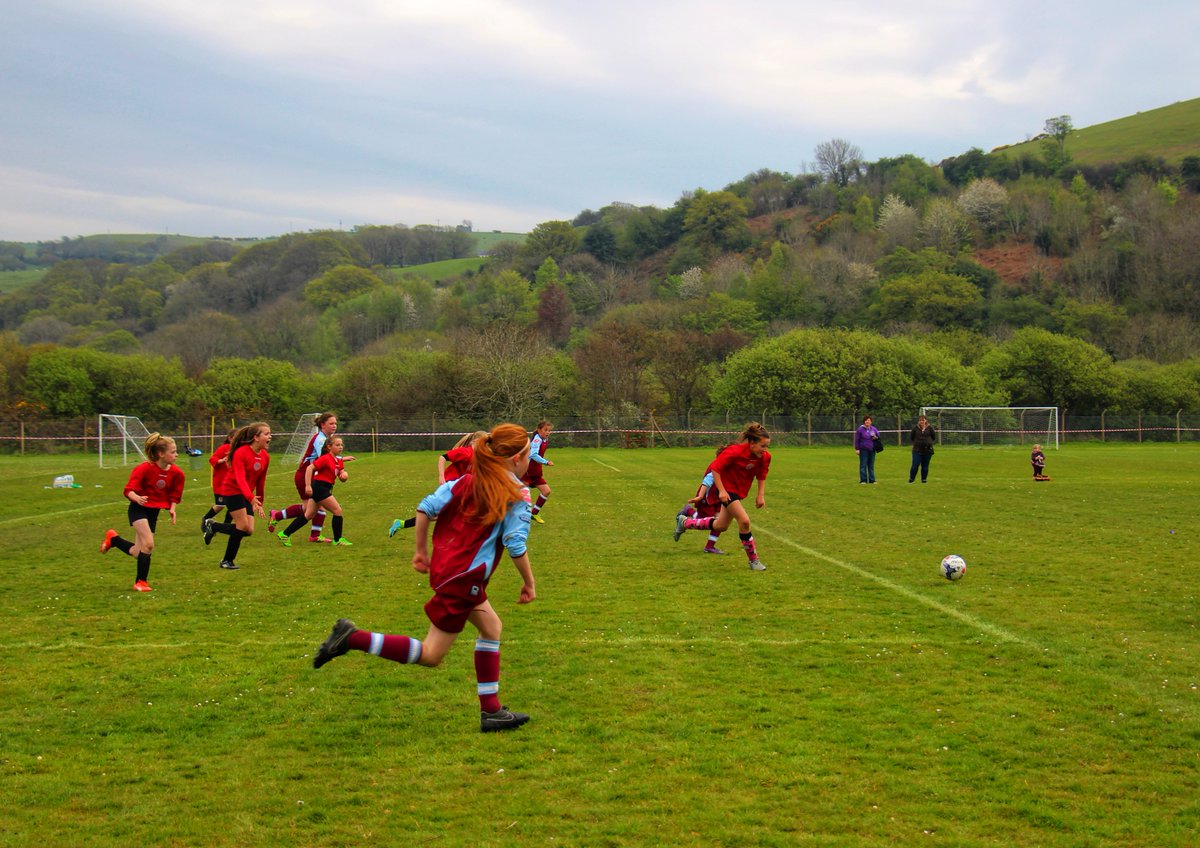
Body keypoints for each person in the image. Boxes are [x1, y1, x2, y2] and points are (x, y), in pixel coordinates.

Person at [312, 422, 537, 734]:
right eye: (529, 455)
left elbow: (425, 508)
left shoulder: (464, 481)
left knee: (491, 627)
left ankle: (492, 710)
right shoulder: (517, 493)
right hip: (463, 579)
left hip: (449, 571)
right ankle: (352, 637)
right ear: (516, 460)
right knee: (431, 654)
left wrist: (420, 551)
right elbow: (515, 544)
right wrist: (529, 582)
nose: (532, 462)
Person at [673, 422, 771, 571]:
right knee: (744, 522)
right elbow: (715, 469)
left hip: (738, 493)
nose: (765, 450)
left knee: (721, 526)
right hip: (727, 490)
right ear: (751, 443)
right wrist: (722, 491)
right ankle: (754, 561)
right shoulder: (735, 451)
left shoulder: (764, 457)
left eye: (767, 446)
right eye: (762, 446)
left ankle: (685, 522)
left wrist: (760, 496)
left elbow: (761, 475)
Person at [100, 433, 185, 592]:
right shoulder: (144, 468)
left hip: (153, 512)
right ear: (161, 454)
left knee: (137, 552)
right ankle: (141, 582)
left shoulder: (177, 474)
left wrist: (172, 509)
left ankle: (114, 539)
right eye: (173, 452)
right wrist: (137, 498)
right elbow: (129, 490)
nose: (176, 455)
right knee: (149, 544)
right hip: (138, 509)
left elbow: (175, 494)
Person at [269, 413, 354, 544]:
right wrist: (341, 461)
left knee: (310, 512)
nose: (334, 426)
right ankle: (334, 539)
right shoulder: (320, 440)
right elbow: (324, 460)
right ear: (322, 424)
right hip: (307, 476)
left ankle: (289, 533)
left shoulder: (328, 440)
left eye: (335, 423)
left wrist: (342, 472)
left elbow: (334, 464)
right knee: (329, 510)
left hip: (316, 479)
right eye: (331, 423)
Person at [389, 430, 487, 537]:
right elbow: (443, 457)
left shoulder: (477, 457)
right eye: (485, 443)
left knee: (438, 516)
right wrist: (441, 476)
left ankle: (401, 523)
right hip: (450, 485)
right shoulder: (465, 452)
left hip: (459, 487)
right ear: (477, 441)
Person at [204, 422, 271, 570]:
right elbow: (240, 479)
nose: (270, 436)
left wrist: (259, 501)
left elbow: (261, 481)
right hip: (232, 490)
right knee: (242, 526)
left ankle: (213, 526)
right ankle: (227, 561)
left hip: (247, 494)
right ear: (256, 437)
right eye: (266, 434)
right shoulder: (241, 453)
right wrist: (251, 498)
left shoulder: (265, 456)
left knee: (249, 530)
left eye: (269, 433)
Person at [675, 445, 732, 555]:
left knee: (719, 521)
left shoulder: (728, 466)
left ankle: (710, 546)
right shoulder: (718, 466)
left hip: (717, 497)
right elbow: (707, 481)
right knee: (706, 521)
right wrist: (700, 496)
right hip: (707, 498)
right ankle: (688, 514)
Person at [199, 429, 235, 531]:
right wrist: (221, 460)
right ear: (230, 438)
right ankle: (205, 519)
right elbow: (212, 459)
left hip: (232, 483)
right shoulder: (224, 448)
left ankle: (226, 525)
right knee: (220, 505)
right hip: (221, 483)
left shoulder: (239, 450)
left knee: (234, 505)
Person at [522, 420, 554, 524]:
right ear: (539, 430)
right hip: (528, 471)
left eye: (549, 430)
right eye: (545, 430)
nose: (547, 432)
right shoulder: (537, 440)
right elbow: (533, 455)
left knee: (546, 491)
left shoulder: (544, 439)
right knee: (517, 496)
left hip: (536, 472)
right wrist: (546, 462)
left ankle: (534, 513)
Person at [908, 415, 936, 483]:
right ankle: (912, 479)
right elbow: (912, 437)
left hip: (927, 450)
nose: (922, 422)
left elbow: (933, 437)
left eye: (923, 420)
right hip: (917, 450)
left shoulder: (930, 428)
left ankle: (924, 479)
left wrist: (927, 442)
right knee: (915, 465)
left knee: (925, 465)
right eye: (920, 420)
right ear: (918, 421)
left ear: (926, 421)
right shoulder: (915, 428)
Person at [854, 415, 881, 484]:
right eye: (866, 420)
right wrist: (857, 449)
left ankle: (872, 480)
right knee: (863, 464)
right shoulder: (860, 429)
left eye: (869, 420)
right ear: (864, 421)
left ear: (871, 422)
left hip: (872, 449)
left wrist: (875, 437)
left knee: (871, 465)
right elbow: (857, 440)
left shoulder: (873, 429)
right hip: (863, 449)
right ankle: (863, 480)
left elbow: (878, 436)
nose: (867, 421)